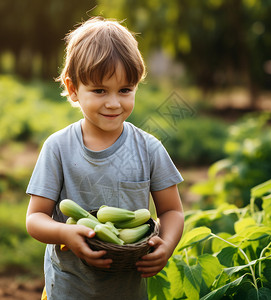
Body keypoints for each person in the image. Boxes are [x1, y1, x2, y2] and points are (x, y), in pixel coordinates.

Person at [25, 16, 184, 300]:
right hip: (68, 289)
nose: (113, 103)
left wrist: (167, 245)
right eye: (99, 91)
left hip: (127, 290)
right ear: (73, 89)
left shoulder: (149, 148)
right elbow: (35, 218)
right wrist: (65, 234)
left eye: (125, 90)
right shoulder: (58, 148)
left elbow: (172, 211)